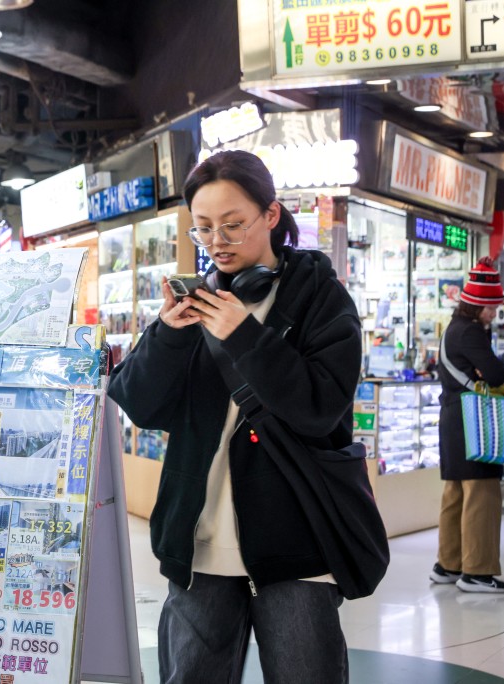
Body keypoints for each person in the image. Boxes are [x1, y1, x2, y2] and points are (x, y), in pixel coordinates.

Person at [107, 150, 362, 684]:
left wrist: (246, 335)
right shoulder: (197, 301)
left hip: (296, 540)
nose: (217, 242)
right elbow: (138, 402)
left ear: (271, 216)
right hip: (199, 539)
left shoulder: (323, 299)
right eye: (202, 229)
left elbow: (320, 410)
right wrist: (168, 334)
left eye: (232, 225)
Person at [431, 257, 504, 593]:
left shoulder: (455, 328)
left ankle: (448, 565)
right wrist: (489, 369)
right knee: (482, 494)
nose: (494, 314)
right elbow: (495, 374)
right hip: (473, 423)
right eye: (491, 308)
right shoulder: (470, 333)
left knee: (455, 495)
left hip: (453, 421)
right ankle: (477, 572)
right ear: (477, 305)